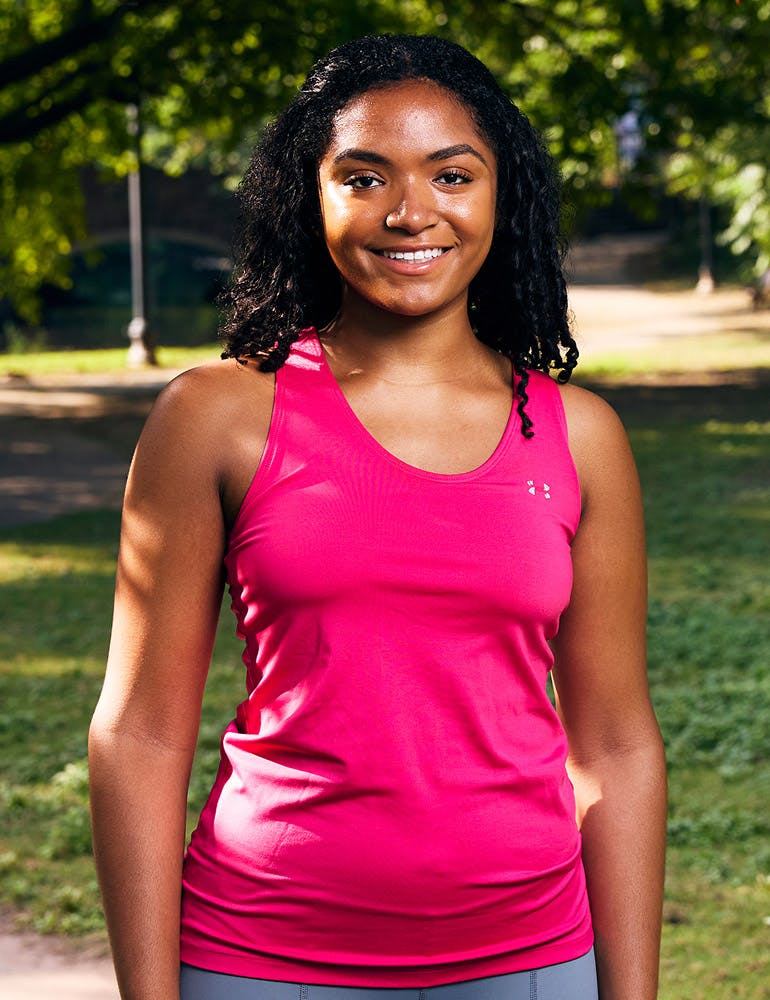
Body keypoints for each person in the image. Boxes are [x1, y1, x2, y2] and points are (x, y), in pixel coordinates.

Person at [88, 33, 667, 1000]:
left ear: (499, 196)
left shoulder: (583, 437)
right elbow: (141, 733)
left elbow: (614, 742)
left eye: (452, 174)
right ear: (308, 199)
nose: (411, 212)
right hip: (261, 957)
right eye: (363, 177)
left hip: (529, 962)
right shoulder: (216, 418)